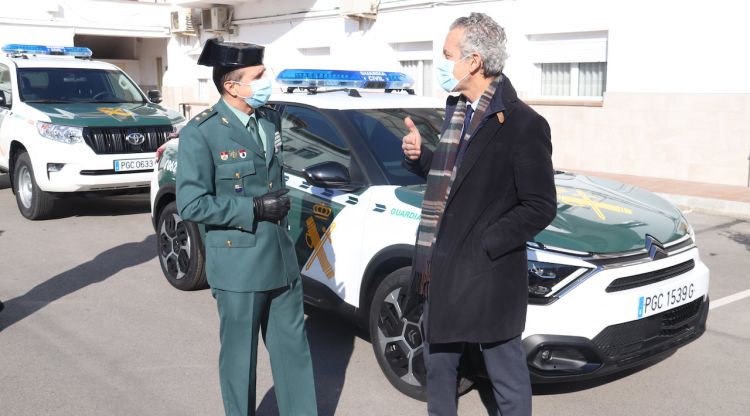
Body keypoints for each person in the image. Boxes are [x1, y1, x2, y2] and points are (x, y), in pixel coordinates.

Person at [401, 13, 557, 416]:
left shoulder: (523, 124)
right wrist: (425, 160)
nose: (441, 63)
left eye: (447, 54)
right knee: (440, 372)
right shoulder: (458, 110)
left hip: (487, 275)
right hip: (442, 270)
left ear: (472, 61)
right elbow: (459, 179)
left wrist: (486, 243)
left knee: (506, 377)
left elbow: (540, 205)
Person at [176, 38, 317, 416]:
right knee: (240, 362)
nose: (266, 80)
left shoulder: (268, 119)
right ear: (232, 86)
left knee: (294, 356)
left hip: (281, 260)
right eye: (258, 76)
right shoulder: (201, 133)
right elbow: (192, 203)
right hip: (238, 266)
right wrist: (252, 207)